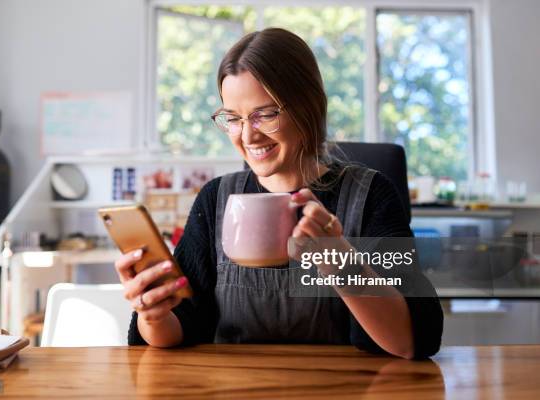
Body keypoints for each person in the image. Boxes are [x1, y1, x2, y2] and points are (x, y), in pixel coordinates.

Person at [114, 28, 443, 359]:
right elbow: (180, 328)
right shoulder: (216, 200)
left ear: (307, 105)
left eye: (265, 114)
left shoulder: (370, 196)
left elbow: (412, 340)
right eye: (233, 118)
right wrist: (153, 314)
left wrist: (339, 262)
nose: (247, 136)